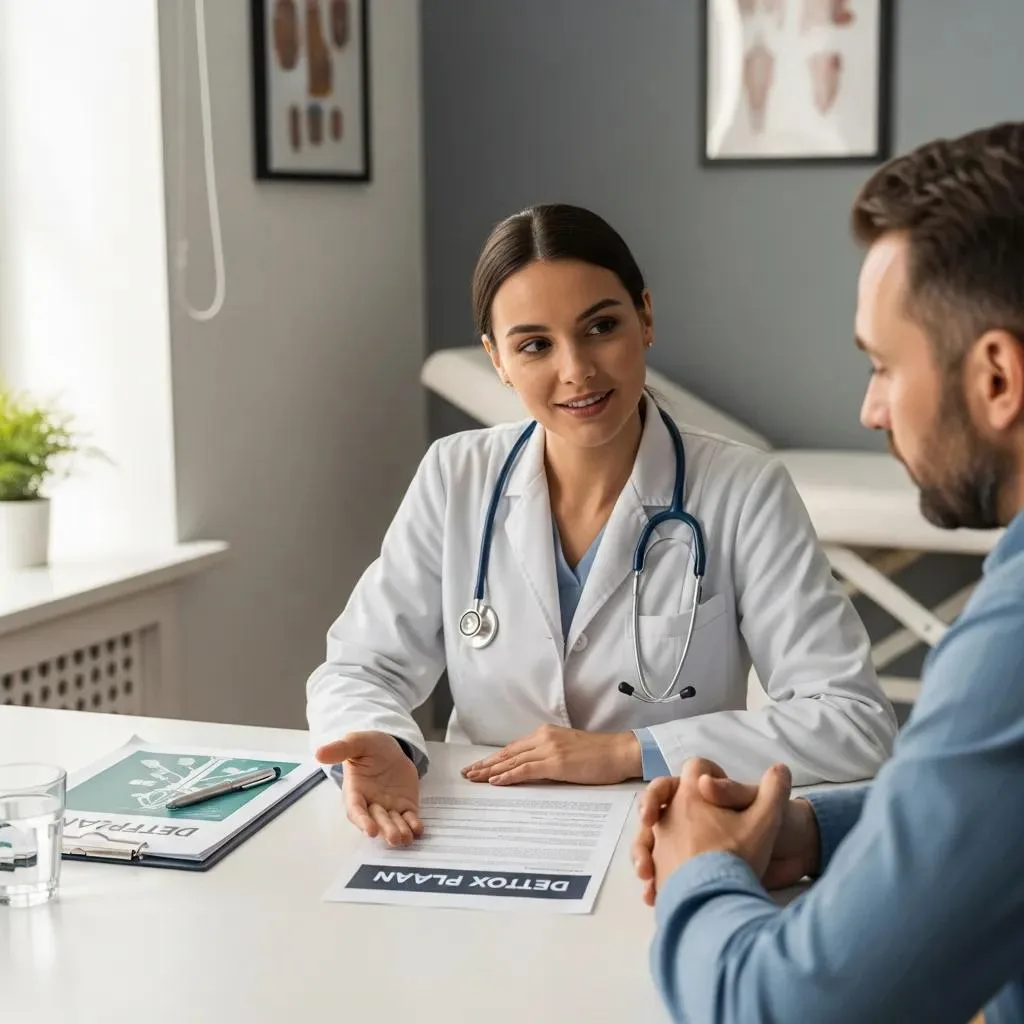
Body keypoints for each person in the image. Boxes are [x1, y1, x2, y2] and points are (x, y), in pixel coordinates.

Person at [306, 202, 896, 848]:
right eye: (534, 345)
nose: (576, 370)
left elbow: (853, 720)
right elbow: (359, 669)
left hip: (663, 836)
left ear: (645, 317)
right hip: (477, 831)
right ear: (497, 359)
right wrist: (384, 740)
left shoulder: (743, 490)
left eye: (600, 327)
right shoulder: (456, 476)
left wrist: (625, 752)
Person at [633, 120, 1024, 1024]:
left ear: (998, 378)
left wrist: (703, 871)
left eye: (884, 366)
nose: (870, 407)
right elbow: (988, 803)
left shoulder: (1011, 647)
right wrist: (813, 832)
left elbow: (778, 1008)